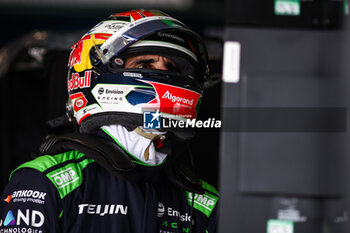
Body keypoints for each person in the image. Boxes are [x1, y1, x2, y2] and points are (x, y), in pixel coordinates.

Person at [0, 9, 218, 233]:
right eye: (145, 65)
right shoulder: (45, 183)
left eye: (171, 67)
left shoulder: (203, 202)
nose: (166, 76)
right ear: (94, 74)